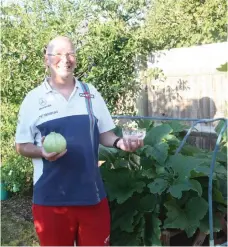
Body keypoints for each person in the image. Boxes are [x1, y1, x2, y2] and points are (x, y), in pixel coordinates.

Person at [15, 36, 144, 246]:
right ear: (46, 59)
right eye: (57, 53)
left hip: (91, 197)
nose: (65, 59)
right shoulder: (33, 100)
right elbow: (21, 146)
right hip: (51, 200)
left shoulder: (90, 93)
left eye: (70, 53)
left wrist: (120, 142)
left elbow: (105, 134)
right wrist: (42, 152)